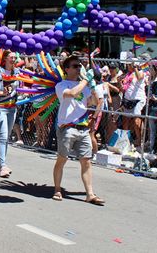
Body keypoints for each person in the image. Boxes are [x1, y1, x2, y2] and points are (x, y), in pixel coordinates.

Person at [52, 55, 104, 205]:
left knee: (86, 161)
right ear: (67, 69)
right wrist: (86, 81)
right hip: (67, 127)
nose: (79, 68)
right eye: (75, 66)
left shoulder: (84, 85)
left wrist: (93, 88)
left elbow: (92, 102)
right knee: (62, 159)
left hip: (82, 128)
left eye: (79, 66)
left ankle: (90, 194)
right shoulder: (61, 85)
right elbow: (73, 94)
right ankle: (57, 189)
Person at [0, 50, 21, 178]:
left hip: (12, 108)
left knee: (6, 137)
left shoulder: (17, 72)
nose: (14, 59)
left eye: (15, 57)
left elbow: (19, 87)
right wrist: (1, 93)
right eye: (11, 57)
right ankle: (2, 165)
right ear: (5, 58)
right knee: (3, 135)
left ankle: (2, 163)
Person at [122, 60, 148, 147]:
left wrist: (135, 68)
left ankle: (140, 140)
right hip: (128, 99)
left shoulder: (140, 72)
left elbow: (139, 77)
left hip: (138, 99)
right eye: (128, 64)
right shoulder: (127, 74)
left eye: (130, 64)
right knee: (125, 120)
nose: (128, 66)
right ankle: (125, 139)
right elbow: (124, 87)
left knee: (137, 121)